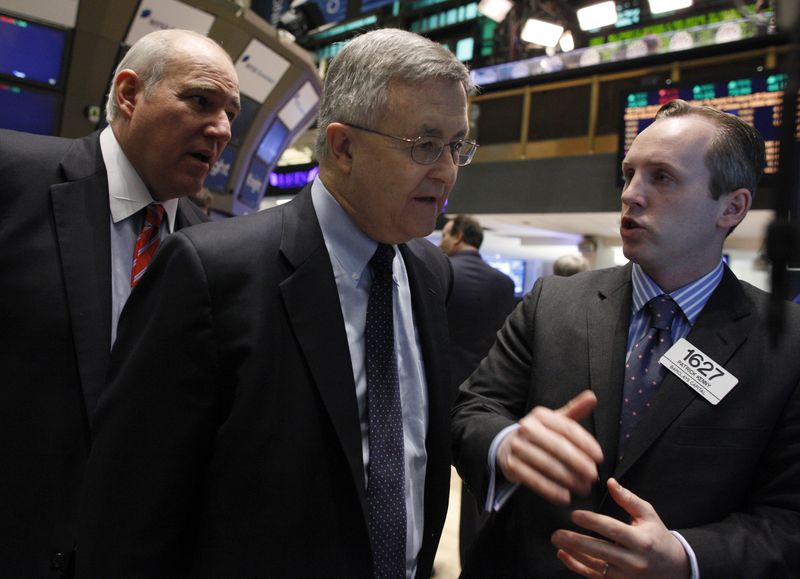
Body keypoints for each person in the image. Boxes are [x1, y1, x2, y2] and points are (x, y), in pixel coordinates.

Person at [77, 28, 476, 578]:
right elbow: (129, 508)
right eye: (425, 145)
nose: (447, 169)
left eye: (457, 146)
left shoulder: (431, 274)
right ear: (342, 146)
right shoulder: (212, 271)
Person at [451, 99, 800, 578]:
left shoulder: (786, 344)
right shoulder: (552, 303)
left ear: (732, 207)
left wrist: (684, 558)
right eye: (629, 173)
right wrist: (507, 444)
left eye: (662, 177)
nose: (631, 194)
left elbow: (788, 517)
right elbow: (473, 410)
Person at [0, 29, 238, 577]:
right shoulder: (14, 177)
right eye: (201, 100)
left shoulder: (210, 247)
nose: (222, 129)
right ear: (129, 95)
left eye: (230, 112)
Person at [438, 214, 516, 564]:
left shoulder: (439, 272)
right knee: (475, 484)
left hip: (437, 393)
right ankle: (471, 560)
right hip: (484, 396)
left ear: (457, 237)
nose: (440, 239)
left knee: (429, 479)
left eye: (444, 232)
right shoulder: (502, 283)